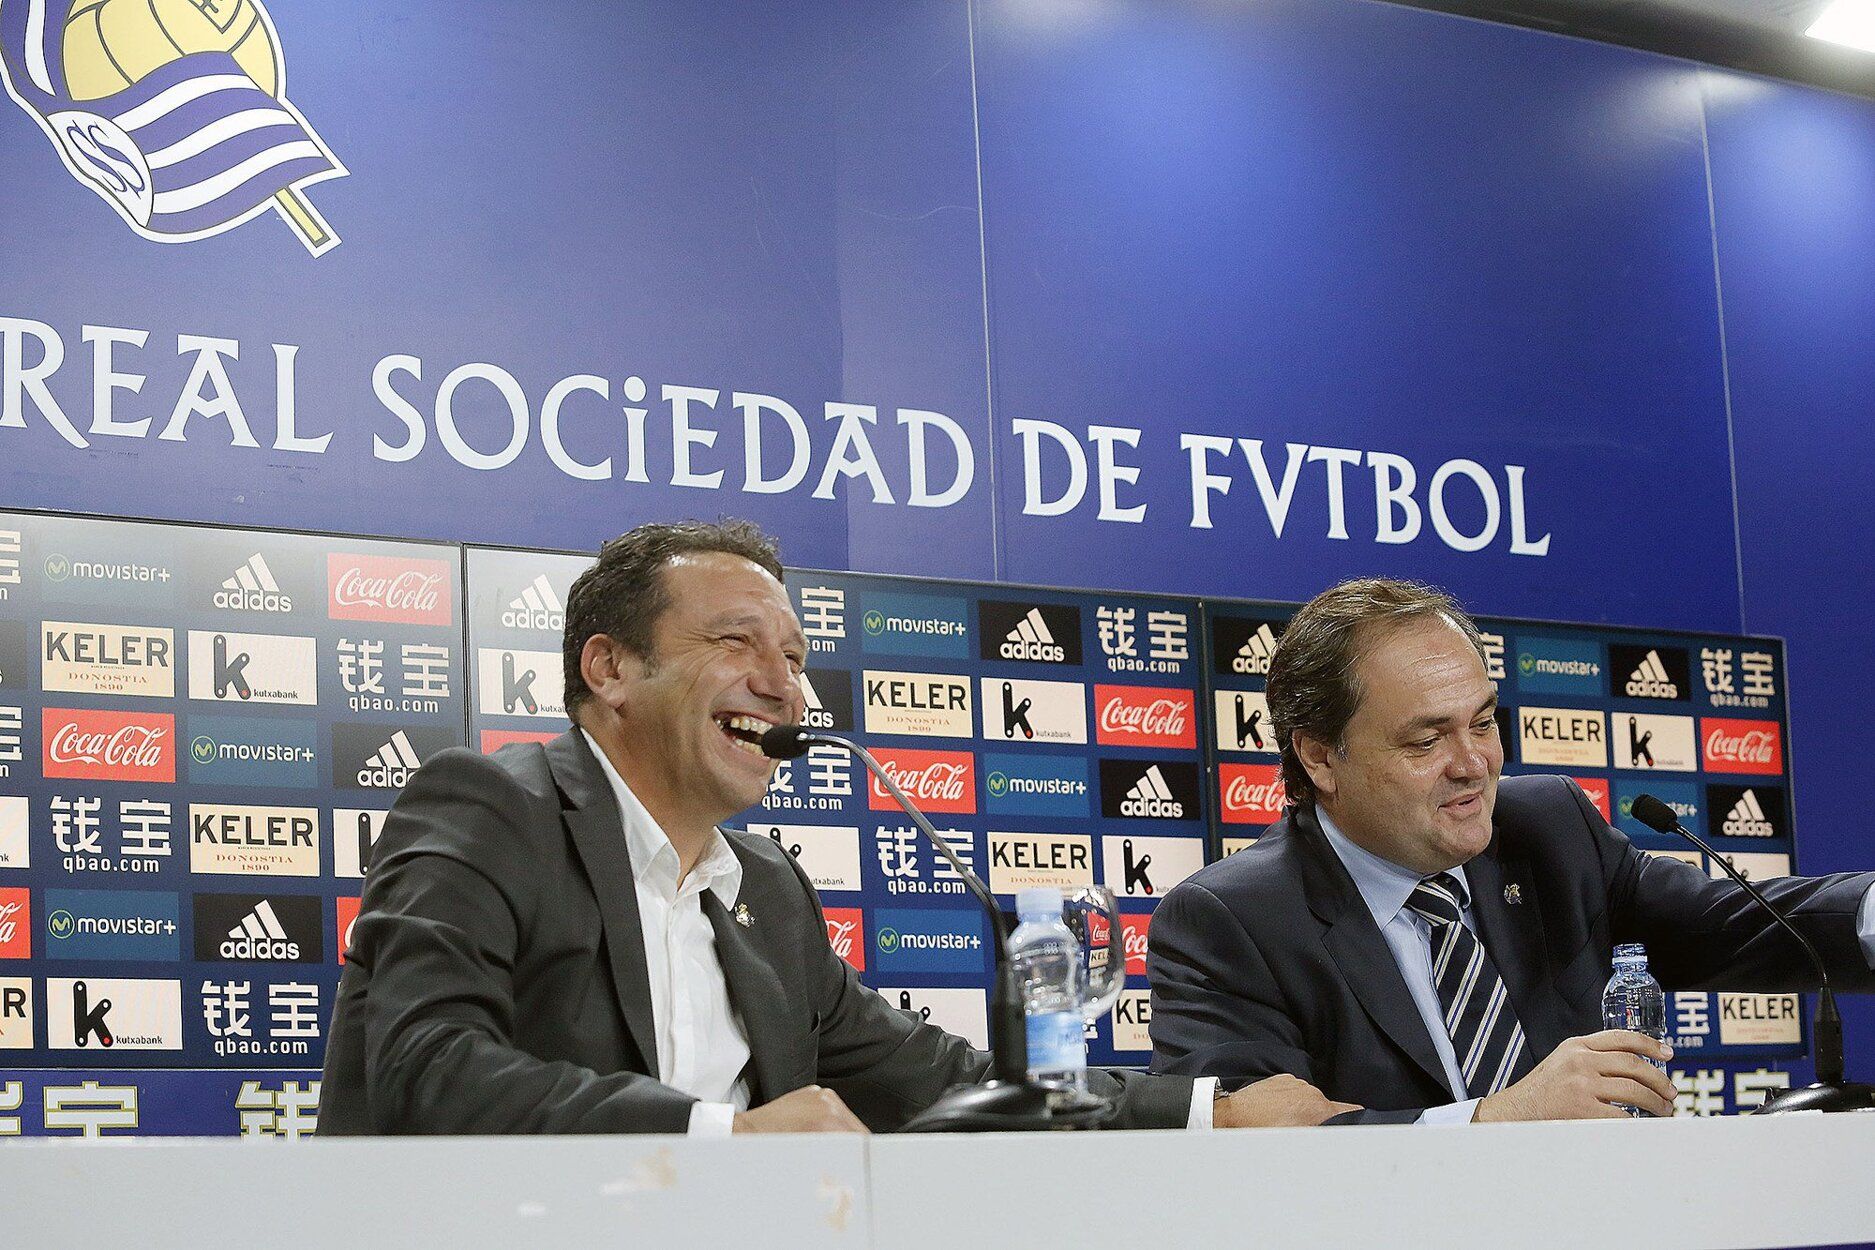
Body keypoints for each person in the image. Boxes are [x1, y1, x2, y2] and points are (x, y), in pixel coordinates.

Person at [320, 519, 1351, 1134]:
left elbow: (946, 1084)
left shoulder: (767, 886)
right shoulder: (493, 807)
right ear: (610, 668)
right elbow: (427, 1065)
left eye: (798, 655)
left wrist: (1208, 1110)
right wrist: (722, 1136)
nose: (783, 684)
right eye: (737, 642)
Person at [1148, 578, 1875, 1125]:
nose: (1472, 764)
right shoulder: (1230, 921)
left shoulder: (1546, 830)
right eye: (1425, 740)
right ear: (1318, 756)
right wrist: (1495, 1121)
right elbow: (1256, 1157)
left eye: (1483, 722)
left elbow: (1740, 924)